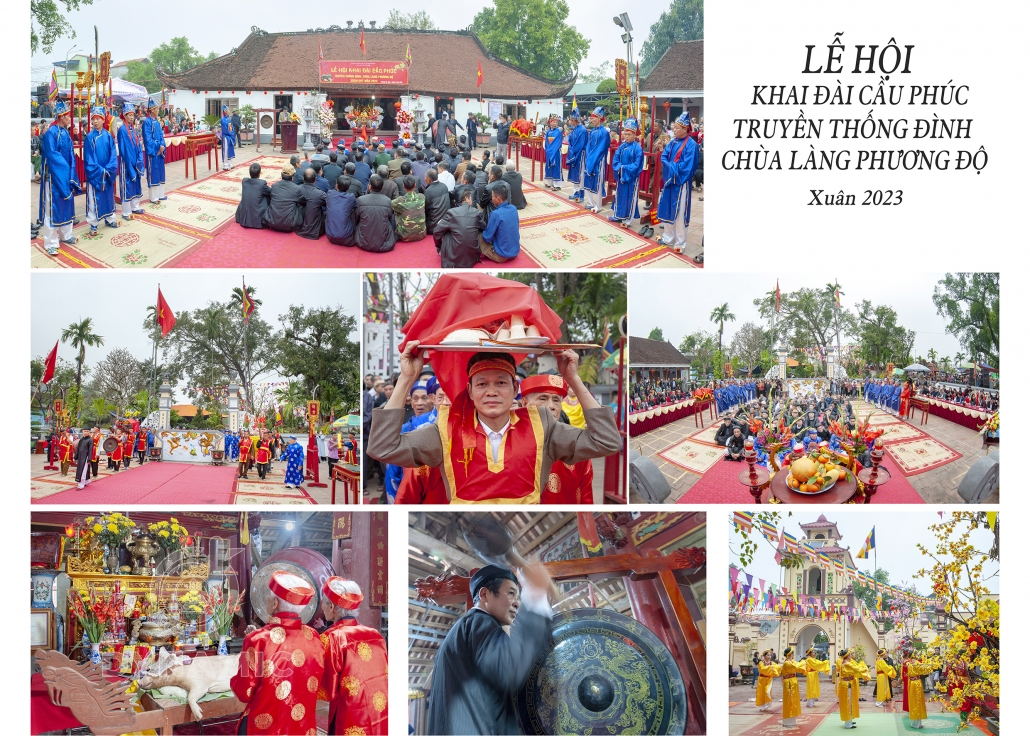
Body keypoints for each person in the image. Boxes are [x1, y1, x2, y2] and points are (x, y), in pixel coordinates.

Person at [368, 345, 621, 503]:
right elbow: (382, 448)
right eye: (482, 384)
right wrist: (406, 378)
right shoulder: (447, 429)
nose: (491, 391)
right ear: (469, 390)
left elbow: (607, 441)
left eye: (501, 383)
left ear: (515, 390)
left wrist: (573, 379)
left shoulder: (541, 423)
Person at [426, 563, 554, 735]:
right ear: (485, 594)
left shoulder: (462, 630)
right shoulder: (478, 623)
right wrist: (536, 596)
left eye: (518, 596)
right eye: (511, 593)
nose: (517, 603)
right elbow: (509, 668)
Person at [229, 572, 325, 735]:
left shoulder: (256, 640)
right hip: (302, 727)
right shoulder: (314, 637)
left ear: (274, 603)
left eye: (268, 596)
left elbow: (244, 691)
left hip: (265, 728)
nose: (266, 599)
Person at [319, 577, 388, 735]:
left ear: (331, 606)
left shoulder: (332, 637)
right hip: (379, 712)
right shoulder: (375, 635)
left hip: (351, 714)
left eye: (323, 603)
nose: (322, 607)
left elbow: (325, 688)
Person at [522, 375, 595, 504]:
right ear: (525, 403)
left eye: (556, 400)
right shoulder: (508, 443)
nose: (551, 406)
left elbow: (586, 500)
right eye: (543, 398)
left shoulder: (576, 448)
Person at [38, 101, 82, 255]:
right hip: (54, 177)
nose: (70, 118)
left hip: (65, 176)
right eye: (68, 115)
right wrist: (64, 172)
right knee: (52, 208)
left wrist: (71, 175)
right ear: (61, 116)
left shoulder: (65, 133)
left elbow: (70, 155)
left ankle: (66, 235)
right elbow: (53, 156)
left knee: (67, 205)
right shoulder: (51, 133)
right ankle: (50, 242)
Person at [657, 113, 700, 254]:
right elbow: (664, 156)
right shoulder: (673, 142)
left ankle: (680, 242)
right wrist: (671, 165)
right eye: (674, 127)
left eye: (676, 128)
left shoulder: (691, 145)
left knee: (680, 213)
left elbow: (687, 167)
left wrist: (671, 167)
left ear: (684, 129)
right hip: (670, 180)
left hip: (680, 182)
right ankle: (668, 236)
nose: (674, 130)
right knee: (668, 209)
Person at [82, 106, 121, 238]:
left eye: (98, 119)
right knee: (94, 199)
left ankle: (110, 219)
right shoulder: (89, 138)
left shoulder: (108, 136)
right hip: (96, 174)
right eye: (93, 119)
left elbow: (112, 155)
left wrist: (109, 169)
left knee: (108, 196)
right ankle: (93, 223)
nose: (95, 121)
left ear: (103, 120)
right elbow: (89, 159)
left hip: (107, 173)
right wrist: (100, 171)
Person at [434, 187, 486, 268]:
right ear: (467, 198)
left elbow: (436, 231)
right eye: (471, 198)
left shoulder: (452, 212)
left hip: (454, 259)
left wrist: (439, 245)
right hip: (472, 258)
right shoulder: (476, 212)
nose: (472, 201)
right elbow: (484, 227)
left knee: (445, 229)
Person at [609, 118, 643, 227]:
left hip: (631, 177)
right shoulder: (622, 146)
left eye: (629, 134)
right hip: (621, 175)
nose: (626, 136)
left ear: (634, 135)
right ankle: (618, 215)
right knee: (620, 195)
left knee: (630, 197)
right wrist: (620, 168)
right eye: (625, 134)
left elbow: (637, 165)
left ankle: (627, 219)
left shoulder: (637, 148)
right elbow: (615, 160)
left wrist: (623, 168)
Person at [355, 175, 398, 252]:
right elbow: (389, 218)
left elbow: (357, 217)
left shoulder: (361, 199)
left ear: (370, 187)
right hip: (384, 241)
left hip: (363, 241)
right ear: (381, 187)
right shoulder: (387, 200)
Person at [479, 185, 520, 263]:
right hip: (515, 252)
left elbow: (487, 237)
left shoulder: (495, 214)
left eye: (492, 197)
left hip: (501, 255)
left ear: (498, 199)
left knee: (477, 235)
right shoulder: (514, 208)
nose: (492, 199)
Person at [582, 107, 612, 214]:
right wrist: (588, 158)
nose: (591, 120)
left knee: (597, 182)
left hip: (598, 161)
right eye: (591, 118)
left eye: (593, 118)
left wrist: (592, 159)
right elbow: (588, 146)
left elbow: (601, 149)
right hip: (590, 158)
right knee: (588, 180)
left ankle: (597, 205)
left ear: (599, 118)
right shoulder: (592, 131)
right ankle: (590, 202)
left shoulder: (604, 132)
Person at [836, 648, 870, 728]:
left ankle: (849, 720)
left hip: (847, 684)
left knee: (849, 702)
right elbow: (857, 669)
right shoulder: (847, 663)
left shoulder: (845, 662)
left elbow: (855, 670)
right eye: (850, 654)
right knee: (848, 702)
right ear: (847, 656)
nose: (851, 656)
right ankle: (848, 723)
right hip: (847, 684)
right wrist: (865, 668)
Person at [141, 99, 167, 203]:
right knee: (153, 173)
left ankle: (160, 194)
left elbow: (161, 135)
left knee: (160, 172)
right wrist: (158, 147)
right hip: (153, 152)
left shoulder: (157, 121)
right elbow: (147, 139)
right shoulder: (147, 122)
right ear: (151, 110)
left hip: (159, 152)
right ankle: (153, 197)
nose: (158, 111)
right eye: (156, 109)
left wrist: (162, 145)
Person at [265, 164, 304, 232]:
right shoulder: (296, 188)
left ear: (281, 175)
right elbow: (303, 201)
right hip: (289, 225)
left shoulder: (274, 186)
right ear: (292, 177)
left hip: (272, 222)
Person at [905, 651, 936, 729]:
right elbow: (924, 670)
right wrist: (931, 665)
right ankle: (916, 724)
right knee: (917, 702)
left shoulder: (909, 663)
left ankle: (915, 723)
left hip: (912, 683)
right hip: (916, 684)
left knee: (914, 701)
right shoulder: (916, 663)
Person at [325, 175, 359, 246]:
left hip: (330, 235)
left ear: (336, 185)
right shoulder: (351, 197)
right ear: (349, 187)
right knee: (355, 210)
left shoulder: (329, 194)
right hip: (346, 237)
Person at [236, 162, 271, 229]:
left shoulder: (244, 181)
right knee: (267, 195)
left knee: (255, 194)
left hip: (243, 219)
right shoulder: (262, 183)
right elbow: (271, 192)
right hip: (257, 219)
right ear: (259, 174)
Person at [392, 175, 427, 241]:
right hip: (422, 234)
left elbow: (391, 205)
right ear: (415, 185)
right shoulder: (422, 197)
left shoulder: (399, 201)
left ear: (403, 186)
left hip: (404, 236)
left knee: (395, 212)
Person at [780, 647, 807, 729]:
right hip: (789, 683)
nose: (793, 655)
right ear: (789, 654)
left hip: (792, 682)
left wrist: (803, 663)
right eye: (792, 653)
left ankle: (792, 720)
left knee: (793, 699)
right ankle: (788, 721)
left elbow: (798, 666)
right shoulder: (787, 663)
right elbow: (796, 666)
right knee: (789, 700)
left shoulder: (791, 661)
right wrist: (803, 662)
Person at [297, 168, 327, 239]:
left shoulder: (297, 189)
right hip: (315, 230)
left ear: (303, 178)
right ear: (315, 180)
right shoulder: (320, 194)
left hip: (299, 225)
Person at [563, 110, 587, 201]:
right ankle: (576, 192)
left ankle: (581, 194)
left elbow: (580, 145)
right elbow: (571, 141)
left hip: (580, 155)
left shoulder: (582, 130)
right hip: (574, 153)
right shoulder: (575, 129)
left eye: (571, 120)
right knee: (575, 174)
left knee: (580, 174)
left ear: (575, 120)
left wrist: (573, 152)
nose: (570, 121)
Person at [542, 115, 563, 190]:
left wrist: (550, 151)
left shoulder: (558, 132)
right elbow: (547, 143)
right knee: (549, 167)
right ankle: (549, 182)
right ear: (550, 123)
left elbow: (556, 143)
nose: (555, 123)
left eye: (556, 122)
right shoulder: (548, 132)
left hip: (556, 152)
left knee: (556, 167)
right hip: (549, 152)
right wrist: (548, 151)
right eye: (553, 122)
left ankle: (557, 185)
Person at [219, 105, 236, 170]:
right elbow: (225, 129)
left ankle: (230, 164)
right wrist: (230, 133)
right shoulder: (223, 120)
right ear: (225, 111)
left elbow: (232, 127)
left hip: (230, 136)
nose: (229, 111)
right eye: (228, 110)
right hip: (226, 137)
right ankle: (225, 165)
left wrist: (232, 133)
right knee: (226, 151)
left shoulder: (229, 119)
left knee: (230, 150)